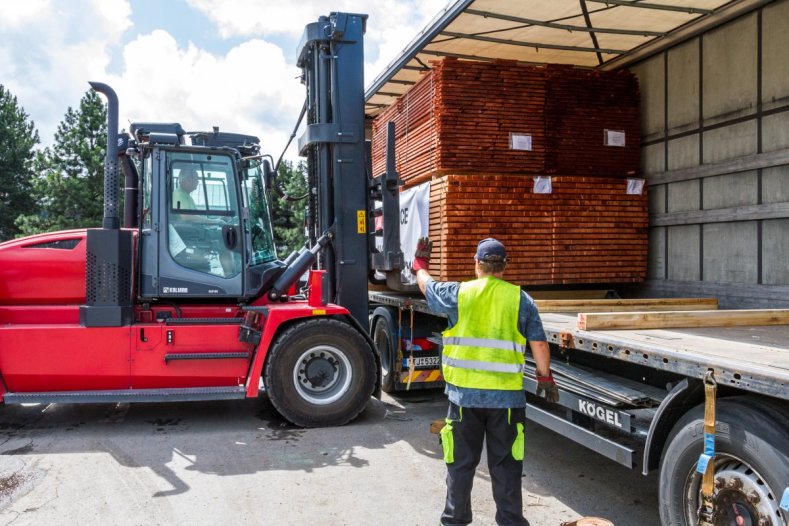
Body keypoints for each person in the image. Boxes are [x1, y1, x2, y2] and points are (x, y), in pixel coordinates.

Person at [413, 236, 559, 526]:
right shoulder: (521, 299)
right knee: (507, 468)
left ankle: (454, 521)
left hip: (464, 400)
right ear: (505, 266)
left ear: (477, 264)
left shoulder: (459, 294)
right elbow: (539, 344)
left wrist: (420, 264)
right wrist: (545, 377)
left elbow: (427, 286)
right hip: (507, 402)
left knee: (460, 466)